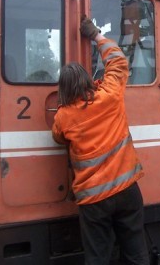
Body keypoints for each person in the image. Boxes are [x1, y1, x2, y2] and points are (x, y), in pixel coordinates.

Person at [52, 18, 149, 265]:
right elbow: (117, 61)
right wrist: (96, 35)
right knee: (136, 252)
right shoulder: (110, 96)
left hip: (95, 201)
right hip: (127, 190)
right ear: (86, 81)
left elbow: (58, 137)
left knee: (98, 257)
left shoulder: (63, 117)